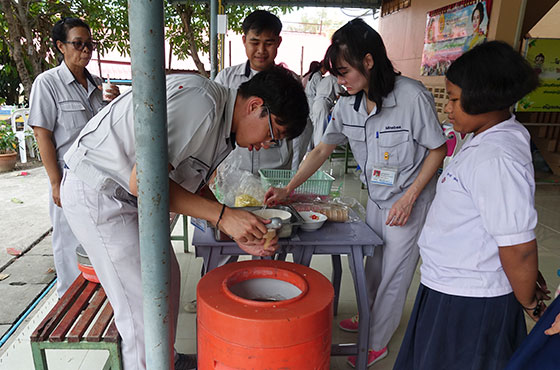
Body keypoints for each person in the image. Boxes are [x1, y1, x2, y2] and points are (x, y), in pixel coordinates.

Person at [60, 66, 309, 370]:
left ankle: (167, 360)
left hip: (128, 198)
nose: (268, 144)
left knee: (167, 278)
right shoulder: (201, 102)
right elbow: (147, 183)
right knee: (142, 311)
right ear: (255, 106)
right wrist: (223, 216)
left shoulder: (222, 125)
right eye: (274, 134)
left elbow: (193, 183)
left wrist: (235, 230)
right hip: (100, 192)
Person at [264, 18, 447, 367]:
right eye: (335, 73)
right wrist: (289, 188)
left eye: (344, 71)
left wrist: (409, 199)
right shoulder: (348, 105)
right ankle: (368, 318)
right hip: (377, 198)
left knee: (395, 273)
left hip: (410, 200)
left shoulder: (412, 97)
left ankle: (376, 341)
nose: (340, 80)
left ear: (369, 61)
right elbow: (321, 150)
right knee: (373, 267)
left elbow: (438, 150)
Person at [394, 41, 543, 370]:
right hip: (450, 286)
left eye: (455, 100)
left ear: (485, 99)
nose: (447, 108)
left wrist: (529, 301)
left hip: (472, 300)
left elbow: (518, 247)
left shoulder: (497, 157)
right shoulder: (484, 139)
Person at [27, 17, 120, 298]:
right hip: (69, 177)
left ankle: (101, 297)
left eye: (89, 45)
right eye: (78, 44)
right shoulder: (48, 84)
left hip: (100, 177)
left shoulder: (96, 84)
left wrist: (113, 103)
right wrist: (55, 183)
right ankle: (68, 297)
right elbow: (42, 135)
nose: (86, 51)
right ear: (60, 46)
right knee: (69, 242)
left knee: (100, 240)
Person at [214, 9, 311, 173]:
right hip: (233, 172)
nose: (261, 50)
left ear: (278, 42)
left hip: (274, 172)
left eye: (268, 43)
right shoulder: (226, 79)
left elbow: (300, 132)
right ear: (244, 40)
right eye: (254, 42)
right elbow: (215, 125)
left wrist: (292, 173)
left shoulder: (291, 82)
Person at [310, 73, 344, 148]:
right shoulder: (334, 79)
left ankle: (316, 149)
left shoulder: (325, 79)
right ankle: (319, 150)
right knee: (321, 129)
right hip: (323, 104)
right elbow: (340, 95)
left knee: (317, 129)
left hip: (316, 104)